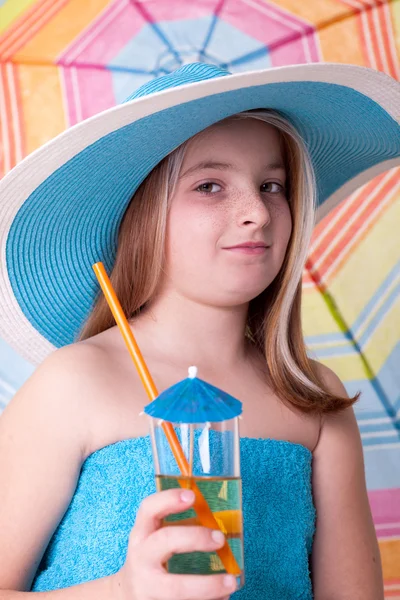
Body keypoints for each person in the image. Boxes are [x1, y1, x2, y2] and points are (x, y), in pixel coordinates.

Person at [1, 61, 399, 600]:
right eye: (210, 185)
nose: (256, 211)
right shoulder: (74, 382)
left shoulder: (314, 399)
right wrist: (125, 590)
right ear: (143, 215)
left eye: (272, 185)